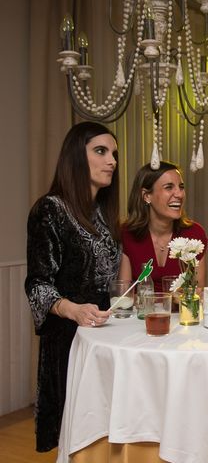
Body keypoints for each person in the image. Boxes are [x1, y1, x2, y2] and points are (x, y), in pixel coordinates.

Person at [25, 121, 120, 452]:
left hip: (103, 333)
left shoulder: (103, 214)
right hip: (68, 337)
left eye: (114, 154)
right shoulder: (50, 209)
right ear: (75, 158)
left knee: (104, 428)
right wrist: (72, 309)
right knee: (75, 431)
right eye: (100, 151)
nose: (112, 161)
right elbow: (37, 284)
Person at [119, 161, 208, 290]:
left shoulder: (195, 234)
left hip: (181, 310)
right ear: (147, 196)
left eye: (181, 187)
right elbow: (124, 295)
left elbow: (197, 292)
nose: (179, 194)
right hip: (142, 310)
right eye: (169, 187)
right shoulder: (127, 234)